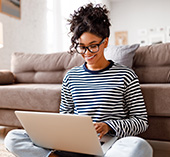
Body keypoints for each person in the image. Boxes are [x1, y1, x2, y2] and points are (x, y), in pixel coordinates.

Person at [4, 3, 153, 157]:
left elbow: (140, 121)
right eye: (81, 47)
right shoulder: (71, 77)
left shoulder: (126, 75)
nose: (87, 53)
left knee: (140, 146)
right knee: (13, 138)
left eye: (93, 46)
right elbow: (64, 116)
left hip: (110, 144)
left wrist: (108, 126)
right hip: (74, 144)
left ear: (105, 42)